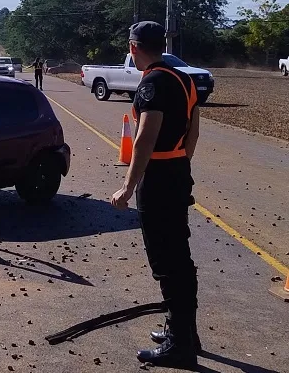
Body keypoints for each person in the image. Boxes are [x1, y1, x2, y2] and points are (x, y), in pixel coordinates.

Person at [110, 21, 201, 369]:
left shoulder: (152, 83)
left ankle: (180, 345)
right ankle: (184, 331)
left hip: (160, 176)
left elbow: (146, 137)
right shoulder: (183, 78)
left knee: (166, 261)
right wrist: (181, 164)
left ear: (134, 47)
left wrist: (128, 186)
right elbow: (193, 131)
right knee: (180, 255)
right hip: (178, 169)